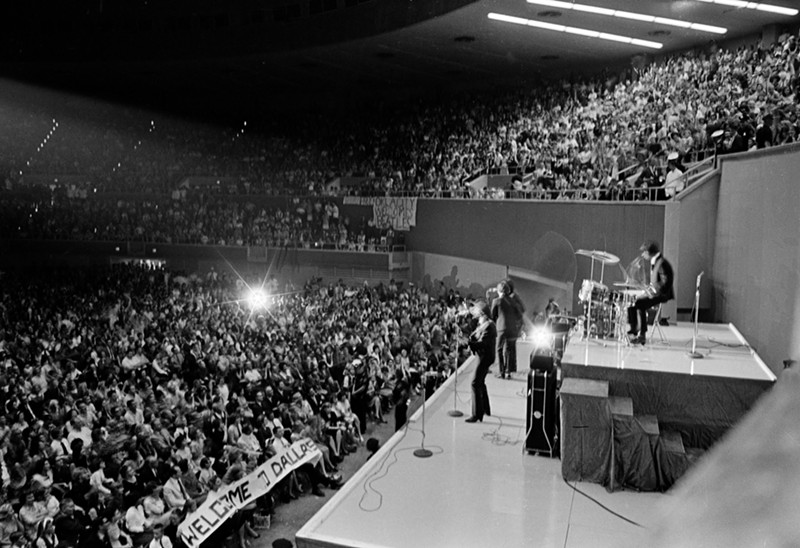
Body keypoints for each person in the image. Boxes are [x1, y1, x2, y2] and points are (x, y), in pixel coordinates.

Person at [627, 241, 674, 345]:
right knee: (633, 303)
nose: (642, 255)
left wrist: (651, 293)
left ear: (648, 252)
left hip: (662, 294)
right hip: (657, 292)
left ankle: (639, 334)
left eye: (644, 253)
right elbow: (656, 281)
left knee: (639, 304)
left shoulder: (661, 263)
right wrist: (647, 289)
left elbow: (665, 283)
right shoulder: (656, 261)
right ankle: (635, 331)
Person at [466, 301, 496, 423]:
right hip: (484, 356)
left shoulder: (489, 326)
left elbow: (483, 343)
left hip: (485, 357)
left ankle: (477, 414)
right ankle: (485, 409)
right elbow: (476, 335)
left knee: (475, 383)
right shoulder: (485, 324)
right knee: (480, 382)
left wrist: (470, 344)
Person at [490, 280, 525, 379]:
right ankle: (508, 372)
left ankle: (502, 372)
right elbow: (519, 315)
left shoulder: (496, 301)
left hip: (501, 328)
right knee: (509, 350)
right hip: (512, 328)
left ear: (499, 291)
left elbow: (493, 316)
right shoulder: (513, 301)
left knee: (499, 349)